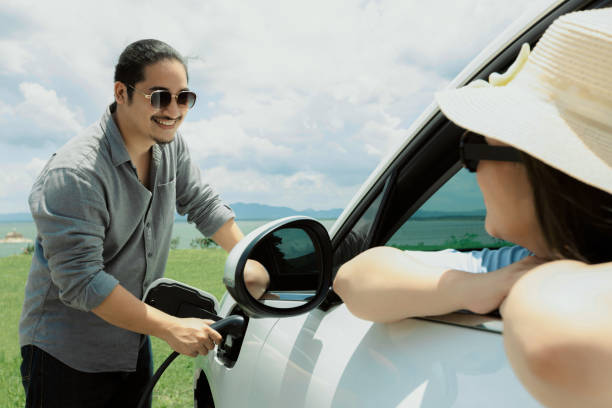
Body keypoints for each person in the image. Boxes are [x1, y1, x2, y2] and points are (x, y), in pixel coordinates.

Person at [335, 7, 612, 407]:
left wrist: (512, 286)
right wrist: (481, 287)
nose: (474, 171)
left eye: (472, 149)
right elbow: (355, 279)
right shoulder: (520, 263)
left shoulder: (537, 277)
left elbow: (554, 336)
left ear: (543, 169)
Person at [19, 39, 269, 408]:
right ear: (122, 92)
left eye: (183, 97)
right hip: (66, 356)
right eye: (159, 97)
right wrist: (170, 327)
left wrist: (249, 259)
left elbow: (201, 202)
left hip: (131, 342)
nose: (173, 109)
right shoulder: (75, 173)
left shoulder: (170, 146)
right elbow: (83, 281)